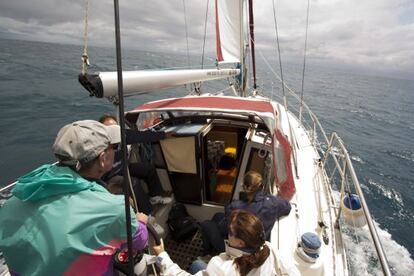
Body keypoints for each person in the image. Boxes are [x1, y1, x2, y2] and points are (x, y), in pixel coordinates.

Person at [0, 120, 148, 275]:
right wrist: (141, 222)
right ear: (103, 158)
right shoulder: (116, 209)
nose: (116, 150)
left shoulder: (14, 201)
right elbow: (139, 241)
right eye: (114, 147)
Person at [153, 209, 292, 276]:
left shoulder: (222, 268)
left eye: (230, 233)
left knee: (196, 264)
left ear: (240, 243)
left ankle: (204, 252)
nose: (227, 234)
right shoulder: (269, 248)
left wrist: (162, 256)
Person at [201, 171, 292, 255]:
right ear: (262, 187)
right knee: (217, 216)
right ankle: (213, 246)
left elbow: (228, 218)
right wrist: (268, 197)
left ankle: (207, 253)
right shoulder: (273, 202)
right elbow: (287, 207)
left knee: (206, 224)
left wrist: (241, 200)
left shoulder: (235, 207)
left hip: (239, 250)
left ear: (244, 187)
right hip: (256, 246)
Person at [98, 114, 173, 215]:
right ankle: (148, 213)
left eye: (114, 128)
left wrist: (163, 135)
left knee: (148, 169)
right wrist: (106, 187)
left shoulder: (123, 136)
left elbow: (142, 136)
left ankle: (155, 197)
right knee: (133, 183)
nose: (112, 132)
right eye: (108, 129)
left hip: (123, 168)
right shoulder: (99, 148)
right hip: (110, 177)